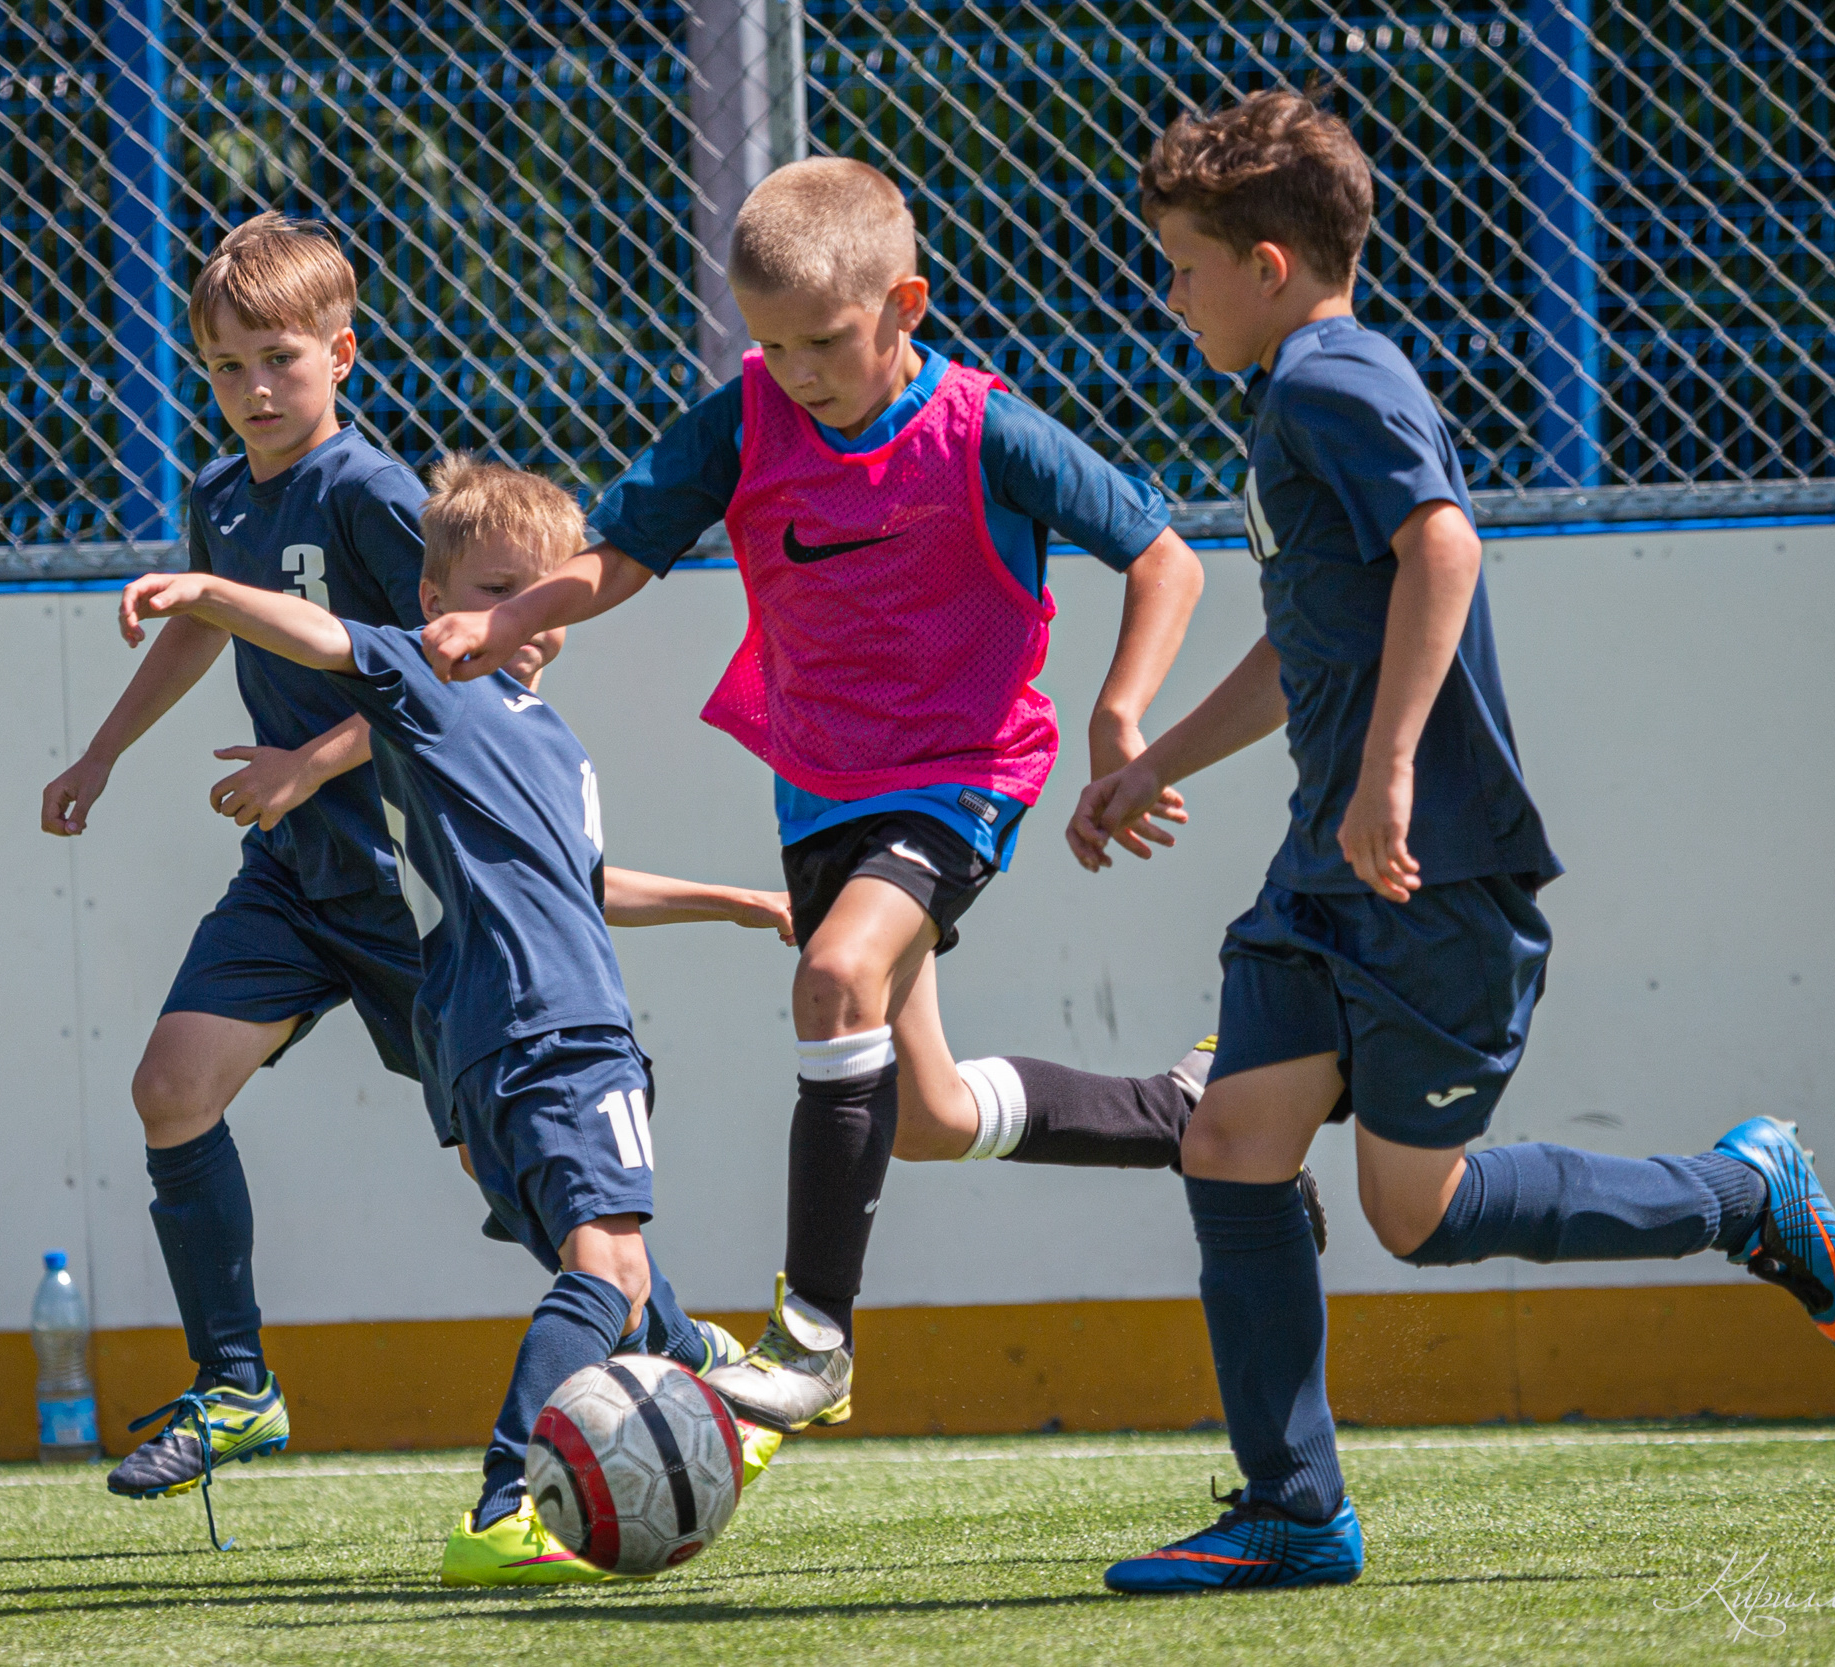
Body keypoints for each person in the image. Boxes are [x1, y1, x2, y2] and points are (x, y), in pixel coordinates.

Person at [1070, 91, 1835, 1595]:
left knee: (1413, 1213)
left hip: (1428, 870)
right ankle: (1293, 1506)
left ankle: (1741, 1191)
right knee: (1231, 1141)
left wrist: (1386, 775)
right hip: (1328, 870)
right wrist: (1150, 761)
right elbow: (1311, 636)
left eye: (1177, 263)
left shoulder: (1332, 375)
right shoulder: (1294, 394)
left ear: (1265, 261)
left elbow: (1445, 541)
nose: (1163, 292)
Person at [420, 156, 1253, 1437]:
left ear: (905, 304)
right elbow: (622, 553)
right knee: (923, 1115)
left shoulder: (985, 429)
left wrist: (1115, 719)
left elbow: (1163, 558)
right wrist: (513, 615)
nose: (797, 370)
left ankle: (814, 1336)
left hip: (963, 775)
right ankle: (1185, 1113)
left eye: (825, 342)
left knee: (832, 979)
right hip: (817, 790)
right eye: (770, 344)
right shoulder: (747, 417)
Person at [112, 459, 768, 1588]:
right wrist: (207, 589)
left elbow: (583, 884)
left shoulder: (544, 736)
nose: (524, 617)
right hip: (549, 1028)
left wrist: (742, 901)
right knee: (605, 1268)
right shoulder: (430, 679)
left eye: (545, 593)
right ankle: (512, 1499)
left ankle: (699, 1364)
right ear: (433, 602)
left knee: (602, 1257)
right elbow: (323, 638)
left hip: (485, 1042)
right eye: (494, 590)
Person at [40, 213, 433, 1500]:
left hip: (409, 880)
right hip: (292, 870)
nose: (255, 390)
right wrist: (100, 752)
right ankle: (236, 1385)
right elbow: (199, 632)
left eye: (279, 358)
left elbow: (451, 673)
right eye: (225, 368)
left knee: (512, 1163)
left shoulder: (374, 494)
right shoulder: (219, 498)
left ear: (342, 352)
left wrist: (310, 763)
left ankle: (657, 1347)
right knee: (170, 1089)